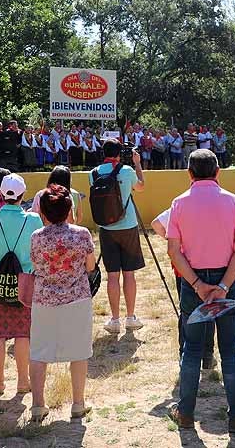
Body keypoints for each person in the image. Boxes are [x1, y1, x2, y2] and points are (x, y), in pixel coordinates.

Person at [166, 149, 235, 433]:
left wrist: (197, 284)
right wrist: (224, 285)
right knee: (229, 350)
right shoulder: (233, 202)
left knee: (191, 350)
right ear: (218, 172)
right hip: (225, 279)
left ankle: (186, 413)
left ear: (189, 174)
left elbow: (174, 252)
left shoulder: (178, 204)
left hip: (194, 282)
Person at [28, 183, 97, 422]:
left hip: (44, 299)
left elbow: (36, 266)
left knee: (39, 351)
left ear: (42, 212)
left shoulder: (36, 237)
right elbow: (91, 266)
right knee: (79, 351)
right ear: (69, 209)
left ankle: (38, 405)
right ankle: (78, 403)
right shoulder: (82, 234)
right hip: (77, 297)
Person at [0, 174, 43, 397]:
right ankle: (23, 381)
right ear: (23, 194)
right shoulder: (33, 220)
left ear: (1, 194)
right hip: (24, 284)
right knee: (22, 334)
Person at [89, 139, 146, 334]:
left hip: (106, 227)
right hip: (128, 225)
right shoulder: (127, 171)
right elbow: (140, 187)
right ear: (119, 154)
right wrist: (138, 164)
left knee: (112, 275)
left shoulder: (94, 173)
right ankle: (130, 317)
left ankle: (114, 320)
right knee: (129, 273)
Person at [151, 206, 216, 369]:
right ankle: (207, 356)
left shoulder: (181, 204)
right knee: (209, 310)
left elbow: (156, 224)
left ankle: (185, 354)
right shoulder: (220, 201)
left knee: (186, 312)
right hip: (212, 264)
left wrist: (173, 240)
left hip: (184, 268)